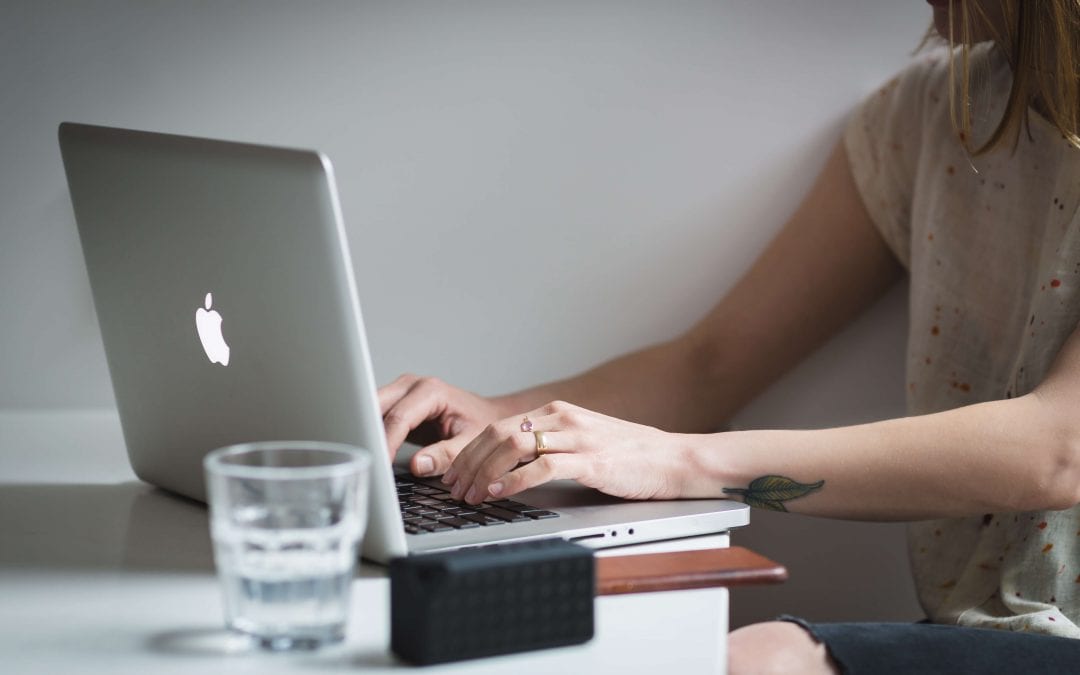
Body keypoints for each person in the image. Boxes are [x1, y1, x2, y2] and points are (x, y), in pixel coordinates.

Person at [377, 1, 1080, 672]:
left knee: (754, 659)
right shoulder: (922, 116)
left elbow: (1059, 450)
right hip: (982, 630)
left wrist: (683, 462)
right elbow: (709, 365)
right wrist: (501, 420)